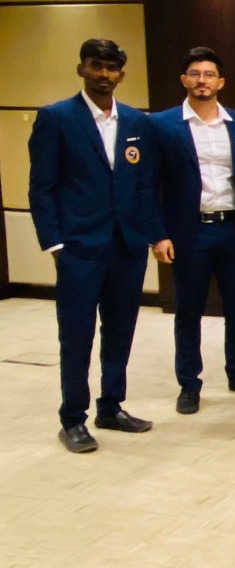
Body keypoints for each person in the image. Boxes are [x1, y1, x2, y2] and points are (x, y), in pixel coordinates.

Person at [29, 38, 164, 452]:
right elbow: (42, 188)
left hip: (127, 245)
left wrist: (152, 234)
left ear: (121, 74)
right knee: (77, 334)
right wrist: (54, 244)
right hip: (79, 247)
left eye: (111, 68)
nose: (104, 74)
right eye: (96, 66)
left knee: (120, 330)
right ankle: (72, 418)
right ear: (81, 69)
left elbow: (145, 187)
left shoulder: (137, 123)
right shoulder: (56, 118)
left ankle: (111, 405)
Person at [150, 46, 235, 415]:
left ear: (221, 82)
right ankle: (189, 383)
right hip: (190, 232)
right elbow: (149, 184)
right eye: (195, 74)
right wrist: (158, 234)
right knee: (188, 310)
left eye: (209, 74)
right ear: (185, 80)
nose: (203, 80)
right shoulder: (163, 124)